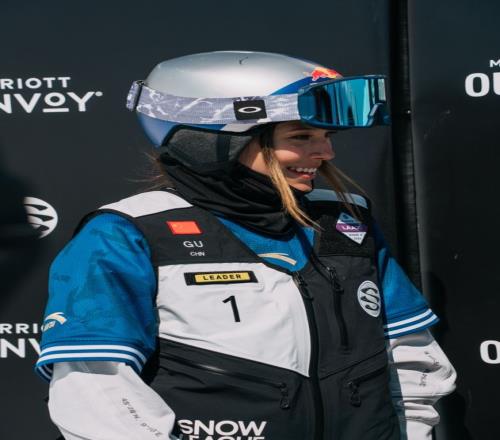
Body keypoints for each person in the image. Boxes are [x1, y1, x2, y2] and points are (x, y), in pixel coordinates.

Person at [35, 51, 456, 440]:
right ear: (214, 139)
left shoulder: (344, 220)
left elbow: (410, 356)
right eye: (302, 136)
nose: (325, 152)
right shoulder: (128, 232)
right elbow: (95, 391)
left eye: (326, 135)